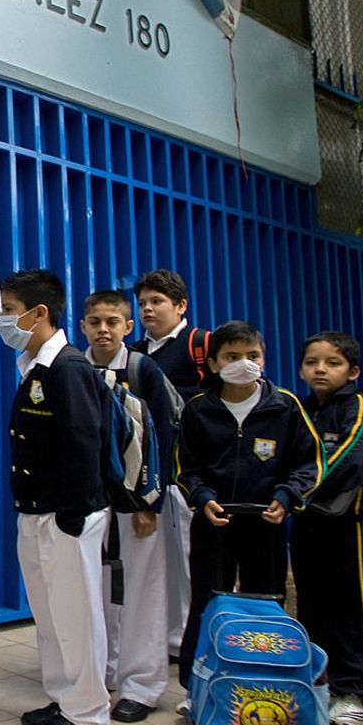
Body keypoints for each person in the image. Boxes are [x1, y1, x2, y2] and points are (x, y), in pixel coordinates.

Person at [175, 321, 323, 695]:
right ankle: (198, 686)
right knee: (208, 601)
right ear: (213, 364)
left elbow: (309, 463)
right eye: (232, 356)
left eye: (252, 356)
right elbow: (184, 466)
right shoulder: (198, 409)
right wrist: (203, 497)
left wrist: (288, 497)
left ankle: (268, 682)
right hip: (214, 521)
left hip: (266, 523)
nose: (244, 363)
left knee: (268, 600)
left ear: (264, 358)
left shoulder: (285, 406)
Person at [0, 270, 112, 725]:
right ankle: (66, 697)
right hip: (38, 510)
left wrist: (72, 514)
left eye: (9, 309)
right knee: (50, 616)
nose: (4, 319)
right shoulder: (35, 366)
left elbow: (85, 444)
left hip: (66, 515)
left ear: (38, 313)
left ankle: (89, 717)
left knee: (76, 615)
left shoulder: (67, 368)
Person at [80, 290, 175, 723]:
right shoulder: (73, 368)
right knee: (94, 591)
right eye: (95, 321)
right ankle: (101, 671)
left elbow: (163, 437)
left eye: (112, 322)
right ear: (83, 325)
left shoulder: (143, 369)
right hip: (87, 504)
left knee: (141, 591)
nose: (103, 329)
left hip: (137, 503)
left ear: (127, 327)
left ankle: (143, 684)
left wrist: (148, 504)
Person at [291, 331, 363, 725]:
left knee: (352, 607)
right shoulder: (300, 409)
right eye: (312, 362)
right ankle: (323, 681)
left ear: (353, 371)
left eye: (332, 363)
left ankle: (359, 691)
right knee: (313, 604)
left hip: (352, 524)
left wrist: (296, 486)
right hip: (308, 522)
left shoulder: (361, 406)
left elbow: (349, 458)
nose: (320, 370)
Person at [132, 269, 211, 661]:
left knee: (187, 563)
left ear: (180, 306)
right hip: (147, 474)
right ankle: (164, 638)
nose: (148, 308)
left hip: (188, 477)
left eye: (157, 301)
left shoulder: (201, 346)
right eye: (143, 302)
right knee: (155, 563)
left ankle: (188, 642)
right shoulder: (134, 353)